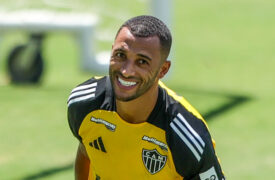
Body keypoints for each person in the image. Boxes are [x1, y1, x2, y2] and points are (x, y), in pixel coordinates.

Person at [67, 15, 225, 180]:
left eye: (142, 62)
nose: (126, 71)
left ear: (163, 70)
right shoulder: (84, 102)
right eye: (120, 55)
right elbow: (86, 150)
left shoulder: (187, 137)